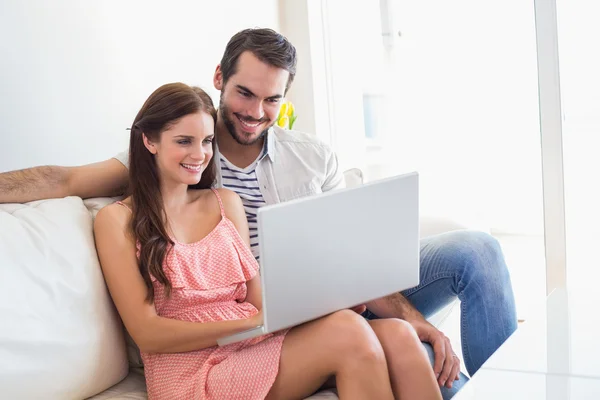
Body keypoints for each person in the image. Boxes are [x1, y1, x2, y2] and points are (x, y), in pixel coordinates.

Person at [0, 27, 517, 398]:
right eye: (245, 93)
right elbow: (64, 180)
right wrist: (260, 320)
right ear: (221, 79)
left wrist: (390, 313)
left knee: (434, 300)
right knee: (349, 334)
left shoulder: (273, 176)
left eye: (271, 99)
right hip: (220, 346)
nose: (254, 111)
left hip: (288, 310)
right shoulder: (134, 198)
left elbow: (342, 259)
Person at [93, 81, 442, 399]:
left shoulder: (225, 202)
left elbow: (259, 301)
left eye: (207, 141)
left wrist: (317, 305)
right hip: (189, 370)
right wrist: (250, 324)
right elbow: (147, 333)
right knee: (349, 334)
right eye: (183, 141)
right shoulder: (117, 221)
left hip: (253, 343)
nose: (199, 154)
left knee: (398, 335)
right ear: (149, 140)